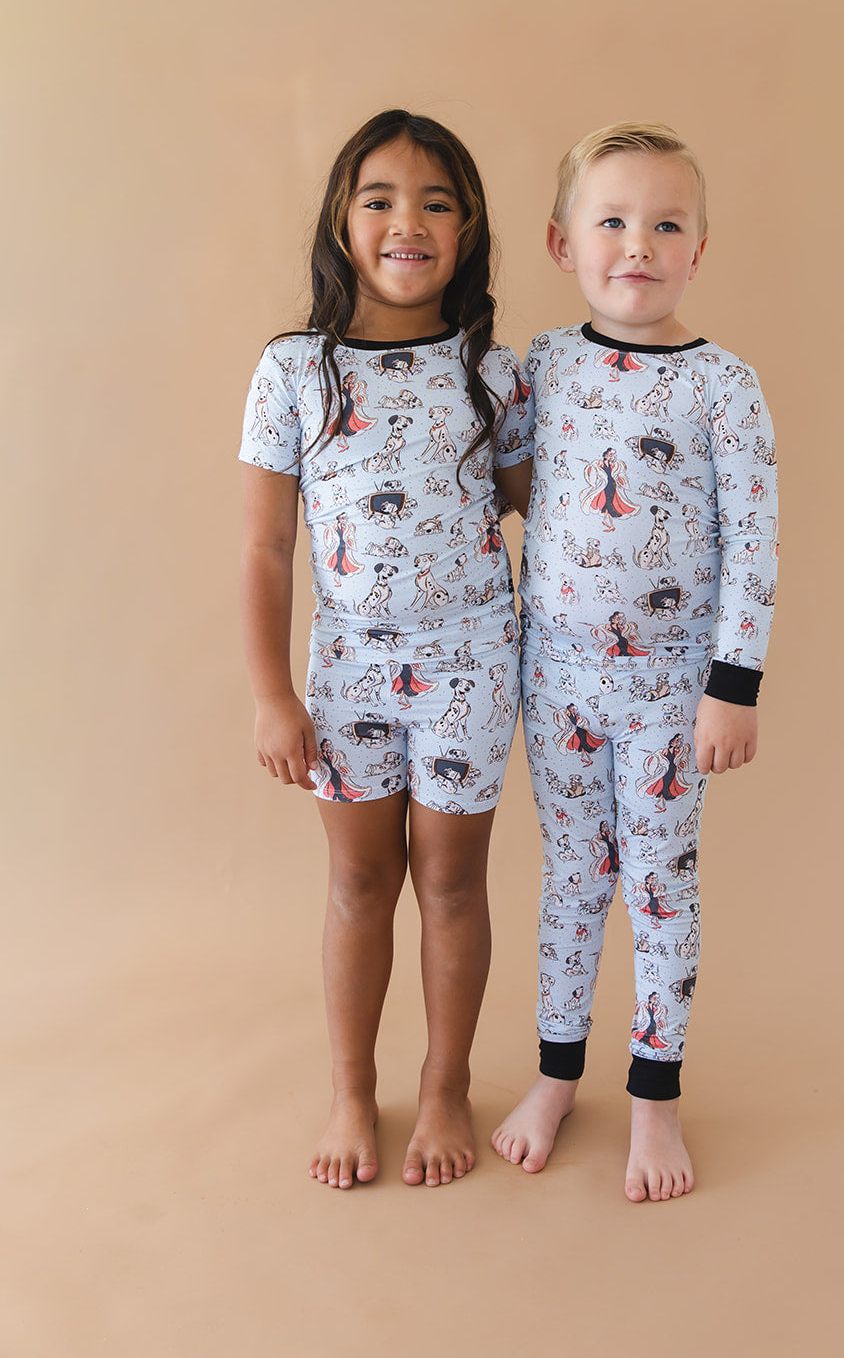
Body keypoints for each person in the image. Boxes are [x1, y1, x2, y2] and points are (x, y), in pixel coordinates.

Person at [239, 109, 533, 1190]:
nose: (407, 221)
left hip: (471, 669)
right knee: (359, 880)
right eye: (380, 199)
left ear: (467, 231)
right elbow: (267, 547)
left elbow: (541, 511)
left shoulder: (492, 373)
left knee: (452, 883)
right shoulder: (293, 372)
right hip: (348, 675)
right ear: (341, 220)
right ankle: (352, 1091)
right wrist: (274, 694)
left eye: (435, 203)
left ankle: (447, 1084)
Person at [491, 122, 778, 1202]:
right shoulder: (546, 365)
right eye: (611, 221)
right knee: (571, 878)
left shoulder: (723, 386)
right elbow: (511, 485)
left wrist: (731, 686)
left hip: (668, 694)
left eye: (665, 225)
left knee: (658, 885)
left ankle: (654, 1097)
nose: (637, 246)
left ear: (698, 249)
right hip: (553, 682)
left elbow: (752, 541)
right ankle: (556, 1074)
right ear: (562, 243)